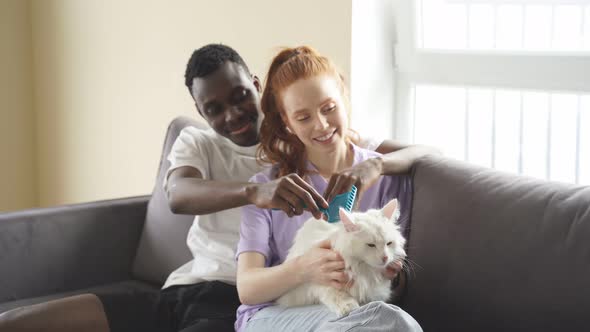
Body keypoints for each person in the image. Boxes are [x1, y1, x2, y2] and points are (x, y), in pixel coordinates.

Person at [0, 44, 436, 332]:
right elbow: (178, 195)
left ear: (259, 90)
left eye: (241, 97)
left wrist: (372, 166)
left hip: (236, 302)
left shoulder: (312, 141)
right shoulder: (209, 147)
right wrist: (252, 193)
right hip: (186, 287)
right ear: (199, 110)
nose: (233, 115)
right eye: (214, 108)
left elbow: (416, 151)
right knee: (32, 321)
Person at [235, 46, 425, 332]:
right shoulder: (268, 189)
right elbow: (247, 288)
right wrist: (303, 269)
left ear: (343, 97)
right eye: (303, 117)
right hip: (274, 315)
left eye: (329, 108)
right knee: (387, 322)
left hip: (354, 315)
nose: (321, 125)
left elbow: (431, 153)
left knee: (376, 322)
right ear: (286, 123)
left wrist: (378, 166)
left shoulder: (381, 175)